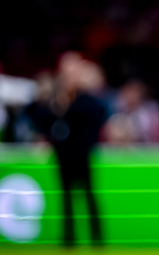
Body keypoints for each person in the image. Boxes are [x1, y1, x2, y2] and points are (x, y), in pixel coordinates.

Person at [26, 51, 109, 246]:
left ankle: (97, 239)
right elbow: (38, 114)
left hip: (82, 155)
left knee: (88, 196)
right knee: (66, 198)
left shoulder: (88, 100)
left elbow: (96, 119)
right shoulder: (54, 99)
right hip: (62, 155)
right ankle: (68, 239)